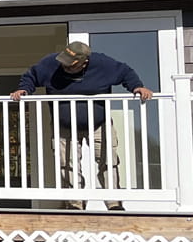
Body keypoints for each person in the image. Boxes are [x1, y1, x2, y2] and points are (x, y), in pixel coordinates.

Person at [11, 41, 152, 211]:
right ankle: (75, 203)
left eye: (71, 66)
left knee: (108, 162)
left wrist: (137, 87)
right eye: (64, 63)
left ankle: (113, 203)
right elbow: (31, 76)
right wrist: (24, 90)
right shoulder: (51, 64)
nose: (65, 68)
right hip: (64, 126)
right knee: (67, 164)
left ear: (84, 62)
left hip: (99, 124)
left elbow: (125, 72)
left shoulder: (102, 64)